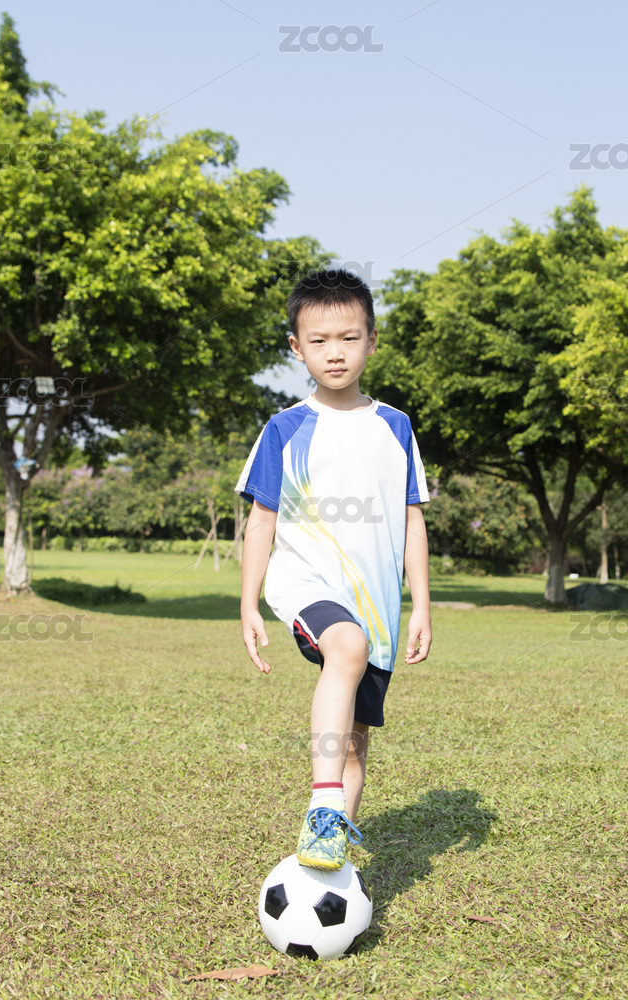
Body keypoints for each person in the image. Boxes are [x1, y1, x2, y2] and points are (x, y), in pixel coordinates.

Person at [235, 269, 432, 871]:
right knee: (345, 645)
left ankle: (330, 849)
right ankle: (323, 805)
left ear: (373, 340)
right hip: (306, 583)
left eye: (349, 338)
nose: (335, 352)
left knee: (354, 743)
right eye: (318, 341)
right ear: (297, 348)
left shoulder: (395, 426)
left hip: (376, 602)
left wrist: (421, 605)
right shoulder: (285, 428)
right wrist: (248, 602)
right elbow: (263, 519)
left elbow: (412, 519)